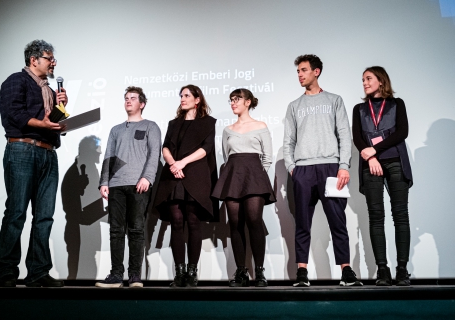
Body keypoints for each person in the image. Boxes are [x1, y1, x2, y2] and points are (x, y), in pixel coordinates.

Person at [283, 54, 362, 287]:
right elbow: (288, 140)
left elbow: (344, 135)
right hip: (303, 170)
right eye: (298, 71)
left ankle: (346, 271)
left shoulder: (334, 100)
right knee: (302, 223)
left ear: (316, 72)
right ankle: (302, 273)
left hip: (330, 167)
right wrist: (291, 168)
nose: (300, 75)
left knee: (338, 221)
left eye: (304, 70)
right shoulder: (294, 106)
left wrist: (344, 166)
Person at [0, 39, 67, 287]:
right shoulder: (17, 80)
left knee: (44, 216)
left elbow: (49, 122)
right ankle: (7, 272)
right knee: (16, 212)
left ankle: (38, 272)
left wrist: (61, 111)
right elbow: (12, 113)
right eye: (49, 58)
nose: (53, 63)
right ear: (33, 60)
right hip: (22, 149)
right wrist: (44, 124)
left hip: (48, 152)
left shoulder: (49, 89)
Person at [352, 66, 413, 286]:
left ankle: (402, 269)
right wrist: (371, 159)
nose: (365, 83)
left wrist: (375, 151)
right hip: (371, 165)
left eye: (368, 78)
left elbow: (401, 132)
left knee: (400, 215)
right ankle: (382, 270)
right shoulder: (359, 108)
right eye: (363, 80)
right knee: (376, 216)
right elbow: (358, 138)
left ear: (381, 81)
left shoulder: (397, 104)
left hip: (395, 162)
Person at [96, 87, 161, 288]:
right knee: (116, 231)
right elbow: (109, 155)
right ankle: (116, 275)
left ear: (141, 103)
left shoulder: (151, 126)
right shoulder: (116, 130)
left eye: (133, 98)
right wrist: (104, 181)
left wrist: (147, 178)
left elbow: (154, 154)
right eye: (126, 98)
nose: (128, 101)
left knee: (136, 229)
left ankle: (134, 276)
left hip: (138, 185)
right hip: (116, 185)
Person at [153, 84, 217, 287]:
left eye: (187, 95)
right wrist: (173, 164)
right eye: (181, 95)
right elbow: (165, 148)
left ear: (197, 100)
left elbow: (206, 149)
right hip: (173, 175)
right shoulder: (174, 123)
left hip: (195, 175)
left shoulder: (208, 123)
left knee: (193, 221)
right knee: (177, 222)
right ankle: (179, 273)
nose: (183, 98)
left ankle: (192, 273)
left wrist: (183, 163)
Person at [212, 89, 276, 287]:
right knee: (235, 222)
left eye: (237, 99)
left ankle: (259, 271)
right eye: (231, 100)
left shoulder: (260, 126)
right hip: (233, 174)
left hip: (254, 175)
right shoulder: (228, 130)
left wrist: (257, 175)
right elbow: (226, 155)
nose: (233, 103)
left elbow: (267, 157)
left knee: (254, 220)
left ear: (248, 102)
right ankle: (241, 271)